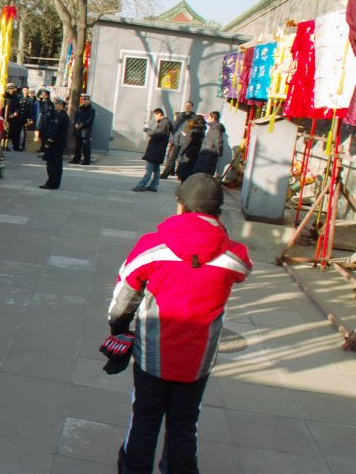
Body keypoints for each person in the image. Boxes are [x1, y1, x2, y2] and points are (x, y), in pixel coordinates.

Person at [101, 173, 251, 474]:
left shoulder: (152, 247)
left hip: (153, 354)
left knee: (143, 420)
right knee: (184, 425)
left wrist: (119, 329)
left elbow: (123, 298)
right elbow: (243, 269)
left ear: (180, 206)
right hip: (198, 359)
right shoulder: (234, 255)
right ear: (218, 212)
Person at [132, 108, 172, 192]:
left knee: (149, 169)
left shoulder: (163, 124)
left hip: (155, 150)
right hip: (159, 150)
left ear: (159, 114)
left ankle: (141, 185)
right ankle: (154, 185)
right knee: (156, 169)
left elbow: (156, 135)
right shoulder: (166, 123)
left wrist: (147, 130)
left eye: (155, 116)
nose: (155, 118)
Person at [161, 101, 196, 179]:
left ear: (192, 107)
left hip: (185, 141)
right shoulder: (180, 115)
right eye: (186, 105)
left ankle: (179, 174)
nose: (187, 107)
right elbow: (175, 127)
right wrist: (171, 139)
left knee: (181, 159)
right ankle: (166, 173)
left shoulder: (194, 117)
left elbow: (192, 128)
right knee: (171, 158)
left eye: (189, 106)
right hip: (176, 140)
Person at [40, 97, 69, 190]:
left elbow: (55, 131)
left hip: (55, 145)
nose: (55, 105)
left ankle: (51, 183)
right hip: (59, 145)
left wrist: (49, 141)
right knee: (57, 165)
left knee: (52, 165)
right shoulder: (64, 115)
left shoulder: (60, 116)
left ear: (61, 105)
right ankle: (55, 183)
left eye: (56, 104)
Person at [193, 111, 225, 176]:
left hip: (209, 155)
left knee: (204, 175)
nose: (208, 118)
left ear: (213, 118)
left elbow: (219, 141)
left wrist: (218, 153)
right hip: (206, 154)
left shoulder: (215, 128)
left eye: (209, 117)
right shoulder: (213, 127)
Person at [175, 117, 205, 183]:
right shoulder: (202, 131)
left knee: (185, 170)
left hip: (189, 152)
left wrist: (182, 151)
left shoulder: (193, 131)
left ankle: (183, 184)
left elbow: (188, 142)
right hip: (196, 152)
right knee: (190, 170)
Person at [70, 94, 95, 164]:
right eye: (83, 99)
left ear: (89, 101)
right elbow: (76, 117)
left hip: (85, 131)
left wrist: (81, 125)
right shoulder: (79, 109)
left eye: (85, 99)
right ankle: (76, 159)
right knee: (77, 147)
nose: (83, 101)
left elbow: (89, 121)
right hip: (78, 130)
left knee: (85, 147)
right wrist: (76, 124)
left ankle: (86, 160)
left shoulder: (92, 110)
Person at [4, 83, 23, 151]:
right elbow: (4, 108)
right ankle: (5, 145)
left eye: (13, 89)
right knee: (6, 133)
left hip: (15, 118)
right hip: (7, 118)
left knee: (15, 133)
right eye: (10, 89)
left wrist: (16, 112)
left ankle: (16, 146)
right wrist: (9, 115)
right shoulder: (5, 97)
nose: (12, 90)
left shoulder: (16, 97)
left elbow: (19, 106)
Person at [36, 88, 54, 153]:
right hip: (43, 121)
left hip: (46, 122)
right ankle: (42, 147)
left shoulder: (48, 102)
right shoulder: (45, 101)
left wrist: (45, 123)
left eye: (43, 93)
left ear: (46, 94)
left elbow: (47, 113)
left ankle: (44, 148)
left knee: (44, 136)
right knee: (42, 136)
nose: (42, 94)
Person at [18, 86, 34, 150]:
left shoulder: (30, 100)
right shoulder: (19, 98)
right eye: (24, 90)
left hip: (25, 118)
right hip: (18, 118)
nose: (26, 91)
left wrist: (29, 118)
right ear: (22, 91)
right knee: (17, 132)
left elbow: (31, 110)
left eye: (27, 90)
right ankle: (17, 144)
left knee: (23, 133)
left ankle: (22, 145)